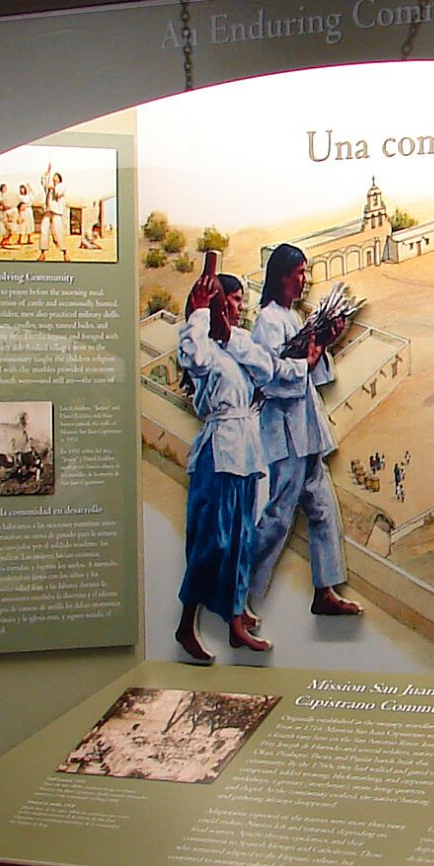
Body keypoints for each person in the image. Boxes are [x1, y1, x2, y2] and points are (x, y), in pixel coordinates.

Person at [246, 244, 360, 619]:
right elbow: (267, 379)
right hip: (286, 432)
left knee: (322, 509)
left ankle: (325, 591)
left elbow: (314, 373)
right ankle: (241, 591)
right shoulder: (267, 322)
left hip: (306, 429)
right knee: (279, 516)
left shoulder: (293, 317)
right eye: (300, 274)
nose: (305, 280)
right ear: (282, 276)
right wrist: (304, 364)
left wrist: (325, 343)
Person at [173, 271, 280, 662]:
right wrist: (201, 314)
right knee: (211, 542)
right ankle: (187, 625)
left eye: (240, 300)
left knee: (240, 539)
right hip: (219, 454)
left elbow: (265, 370)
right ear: (217, 303)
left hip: (246, 452)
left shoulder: (236, 342)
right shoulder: (200, 343)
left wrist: (229, 334)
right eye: (233, 300)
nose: (239, 307)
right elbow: (194, 358)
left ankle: (235, 620)